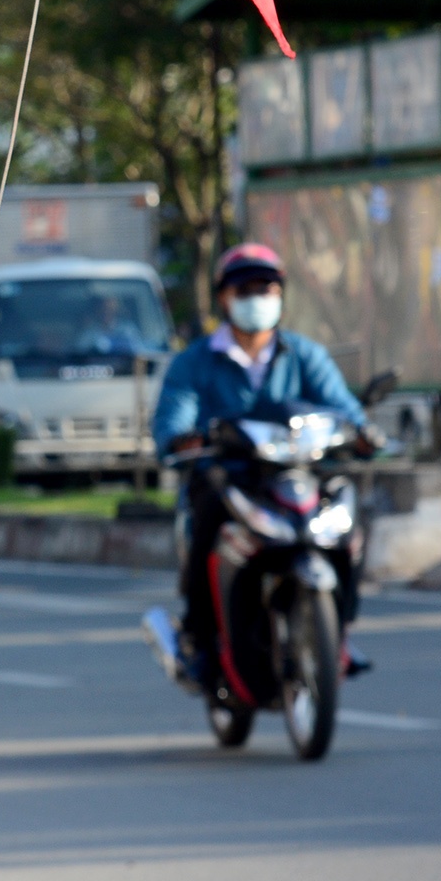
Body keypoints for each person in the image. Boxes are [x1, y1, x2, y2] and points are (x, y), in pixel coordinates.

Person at [152, 243, 368, 683]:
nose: (257, 299)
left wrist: (363, 432)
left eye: (266, 289)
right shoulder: (195, 362)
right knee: (208, 508)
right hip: (229, 478)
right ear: (224, 298)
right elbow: (173, 420)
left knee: (347, 512)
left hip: (296, 474)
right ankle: (199, 640)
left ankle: (338, 632)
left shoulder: (304, 354)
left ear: (280, 295)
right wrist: (183, 437)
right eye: (245, 290)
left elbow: (342, 407)